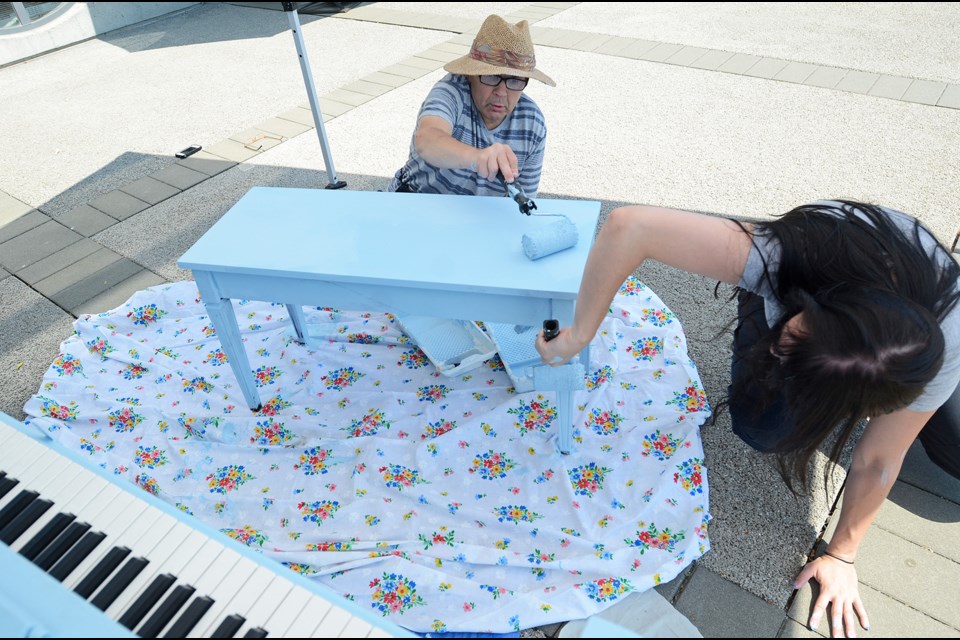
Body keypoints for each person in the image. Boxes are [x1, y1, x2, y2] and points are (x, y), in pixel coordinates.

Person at [535, 199, 960, 638]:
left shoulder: (945, 345)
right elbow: (631, 226)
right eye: (793, 334)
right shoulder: (787, 256)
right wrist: (579, 335)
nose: (778, 350)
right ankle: (776, 336)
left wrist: (842, 554)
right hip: (813, 265)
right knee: (763, 426)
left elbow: (878, 459)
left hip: (913, 342)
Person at [388, 14, 554, 198]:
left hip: (480, 217)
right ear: (471, 75)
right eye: (491, 76)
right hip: (417, 199)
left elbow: (525, 200)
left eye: (515, 80)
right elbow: (427, 138)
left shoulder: (532, 122)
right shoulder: (452, 91)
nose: (501, 92)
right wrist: (477, 158)